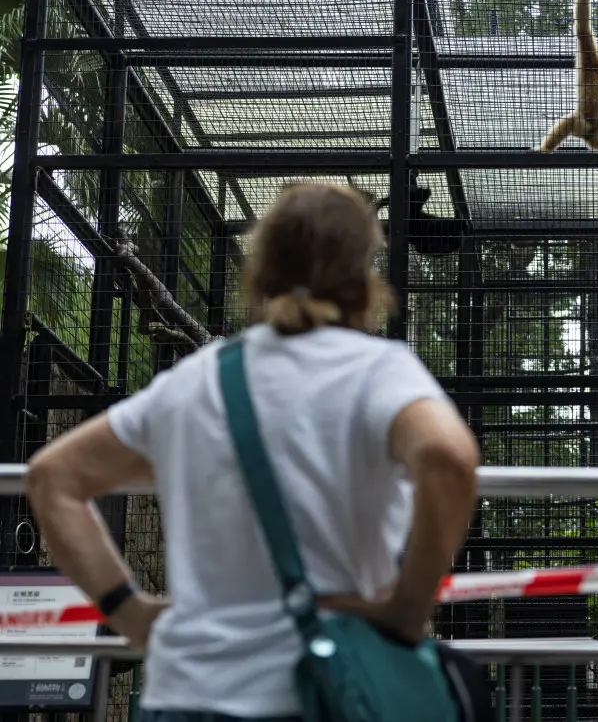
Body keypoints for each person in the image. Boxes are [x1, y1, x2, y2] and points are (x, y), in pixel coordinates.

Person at [26, 183, 480, 722]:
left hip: (188, 692)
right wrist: (407, 608)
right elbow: (450, 461)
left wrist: (130, 612)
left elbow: (53, 477)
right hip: (326, 690)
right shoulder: (378, 370)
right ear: (365, 275)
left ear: (259, 270)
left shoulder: (192, 381)